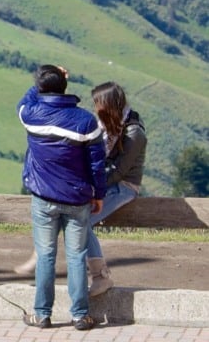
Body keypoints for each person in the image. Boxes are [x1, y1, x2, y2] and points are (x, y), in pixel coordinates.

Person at [17, 64, 106, 331]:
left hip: (43, 198)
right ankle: (80, 315)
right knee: (77, 256)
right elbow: (97, 164)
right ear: (66, 87)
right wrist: (98, 194)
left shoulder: (31, 114)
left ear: (41, 88)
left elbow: (25, 99)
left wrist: (44, 82)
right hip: (77, 199)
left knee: (45, 256)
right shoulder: (85, 121)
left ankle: (42, 314)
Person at [85, 81, 146, 296]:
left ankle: (100, 276)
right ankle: (94, 272)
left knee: (81, 222)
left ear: (108, 105)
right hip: (106, 181)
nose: (95, 108)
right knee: (78, 222)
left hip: (124, 186)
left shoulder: (134, 133)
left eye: (98, 104)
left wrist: (95, 190)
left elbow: (119, 172)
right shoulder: (107, 126)